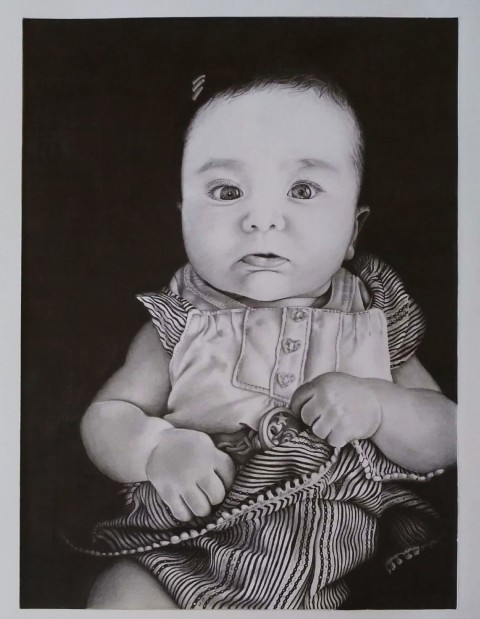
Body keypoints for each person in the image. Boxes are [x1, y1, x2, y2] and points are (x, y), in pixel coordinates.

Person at [79, 71, 456, 610]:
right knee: (119, 595)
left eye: (302, 190)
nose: (260, 220)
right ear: (185, 218)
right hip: (185, 554)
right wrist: (155, 448)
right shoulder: (182, 322)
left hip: (344, 577)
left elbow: (450, 433)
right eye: (227, 192)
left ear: (353, 230)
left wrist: (379, 406)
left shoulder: (373, 318)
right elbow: (108, 415)